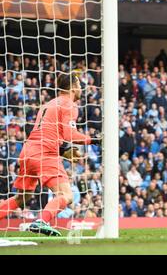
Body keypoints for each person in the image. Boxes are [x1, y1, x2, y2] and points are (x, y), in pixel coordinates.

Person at [0, 74, 100, 236]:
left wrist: (62, 150)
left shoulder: (48, 104)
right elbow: (70, 135)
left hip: (29, 151)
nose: (81, 88)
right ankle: (41, 221)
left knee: (22, 198)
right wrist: (94, 140)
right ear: (73, 87)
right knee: (66, 195)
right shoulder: (69, 104)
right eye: (79, 85)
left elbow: (50, 132)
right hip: (44, 153)